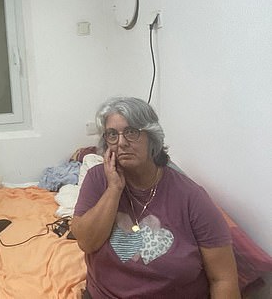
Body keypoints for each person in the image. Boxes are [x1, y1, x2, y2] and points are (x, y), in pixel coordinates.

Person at [71, 97, 239, 298]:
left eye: (132, 132)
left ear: (152, 137)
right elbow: (87, 243)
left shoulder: (191, 197)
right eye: (112, 135)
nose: (121, 142)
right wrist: (114, 189)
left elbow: (223, 279)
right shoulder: (98, 179)